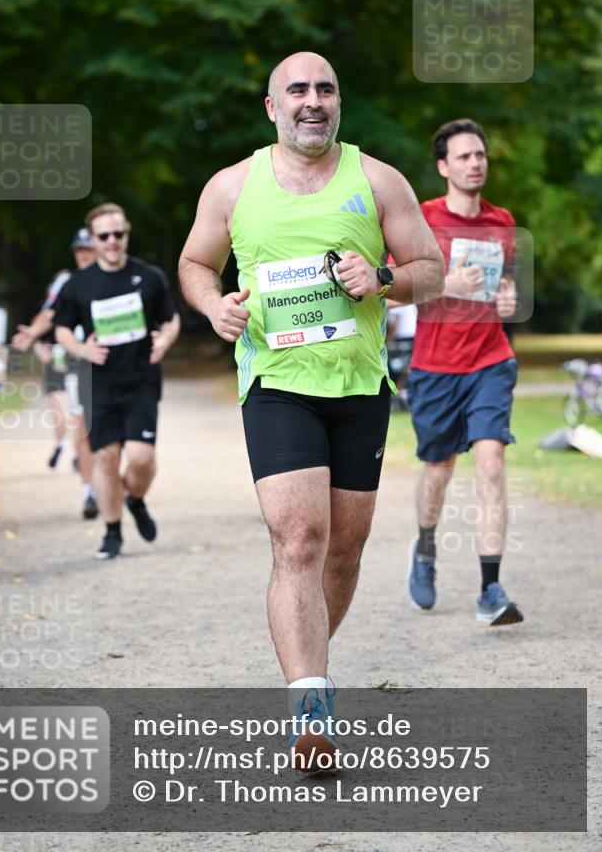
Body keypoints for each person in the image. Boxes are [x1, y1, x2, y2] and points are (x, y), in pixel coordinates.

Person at [179, 51, 444, 767]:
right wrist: (213, 308)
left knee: (343, 550)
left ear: (337, 103)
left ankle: (313, 662)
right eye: (296, 89)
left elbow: (430, 269)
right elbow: (195, 264)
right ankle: (311, 711)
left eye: (324, 88)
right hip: (276, 381)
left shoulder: (378, 179)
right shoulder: (233, 186)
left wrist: (383, 277)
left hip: (358, 389)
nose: (311, 100)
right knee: (298, 540)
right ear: (272, 107)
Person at [405, 118, 523, 626]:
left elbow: (506, 290)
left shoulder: (502, 223)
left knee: (492, 463)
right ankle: (426, 547)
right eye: (464, 157)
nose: (476, 163)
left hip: (490, 359)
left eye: (481, 155)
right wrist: (446, 282)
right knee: (439, 470)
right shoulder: (422, 220)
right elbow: (395, 287)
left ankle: (490, 588)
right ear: (443, 166)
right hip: (434, 367)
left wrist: (509, 298)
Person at [54, 203, 181, 560]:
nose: (112, 241)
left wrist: (166, 340)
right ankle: (112, 533)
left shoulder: (150, 277)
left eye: (118, 234)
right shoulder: (78, 285)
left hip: (141, 381)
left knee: (141, 458)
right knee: (106, 459)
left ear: (126, 234)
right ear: (93, 240)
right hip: (100, 384)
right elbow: (61, 328)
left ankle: (135, 499)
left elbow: (170, 320)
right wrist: (81, 348)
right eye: (103, 236)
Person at [12, 229, 98, 519]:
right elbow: (49, 313)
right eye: (78, 250)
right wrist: (34, 333)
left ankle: (113, 484)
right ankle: (90, 491)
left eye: (88, 248)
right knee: (82, 425)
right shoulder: (68, 282)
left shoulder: (119, 276)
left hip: (113, 363)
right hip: (76, 360)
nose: (83, 254)